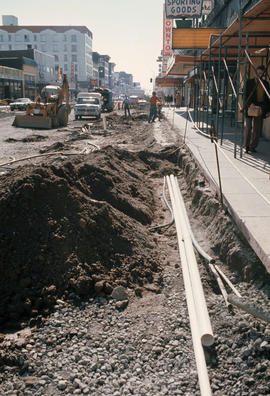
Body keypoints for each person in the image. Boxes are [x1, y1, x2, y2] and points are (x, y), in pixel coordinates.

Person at [244, 65, 270, 153]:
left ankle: (253, 146)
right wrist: (249, 104)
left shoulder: (266, 84)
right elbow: (245, 95)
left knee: (257, 129)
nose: (259, 75)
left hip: (260, 108)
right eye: (258, 73)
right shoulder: (249, 82)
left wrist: (268, 111)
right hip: (250, 106)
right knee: (248, 127)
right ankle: (246, 146)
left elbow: (267, 98)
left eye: (261, 73)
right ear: (255, 73)